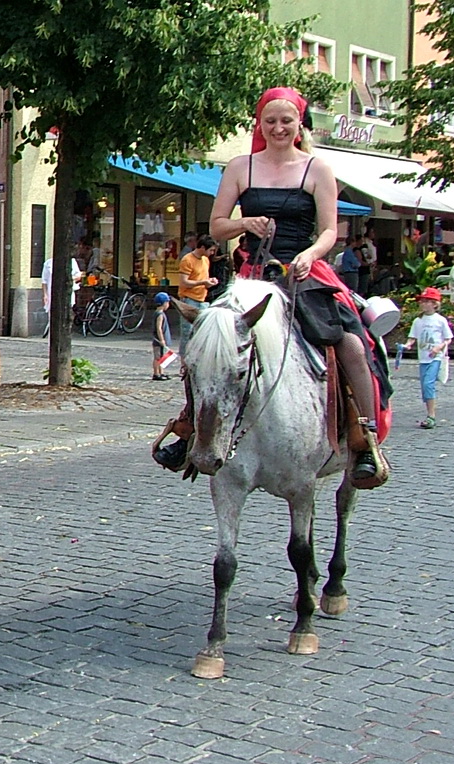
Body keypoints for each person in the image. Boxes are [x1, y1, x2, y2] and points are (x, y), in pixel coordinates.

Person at [152, 88, 391, 489]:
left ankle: (364, 439)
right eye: (270, 121)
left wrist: (310, 255)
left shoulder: (317, 169)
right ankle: (191, 427)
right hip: (253, 275)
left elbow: (331, 229)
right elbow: (217, 225)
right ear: (260, 126)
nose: (278, 128)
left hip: (303, 273)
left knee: (350, 341)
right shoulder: (240, 167)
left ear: (300, 125)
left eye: (286, 121)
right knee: (214, 345)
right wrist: (246, 224)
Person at [405, 287, 453, 430]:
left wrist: (439, 347)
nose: (423, 304)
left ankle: (431, 416)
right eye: (422, 301)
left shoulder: (440, 320)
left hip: (436, 357)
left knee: (428, 384)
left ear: (434, 304)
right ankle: (429, 412)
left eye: (427, 301)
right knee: (425, 387)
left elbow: (448, 338)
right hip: (423, 358)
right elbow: (412, 338)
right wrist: (407, 345)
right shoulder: (418, 321)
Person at [177, 235, 215, 314]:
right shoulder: (187, 260)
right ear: (203, 247)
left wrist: (210, 281)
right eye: (211, 250)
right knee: (188, 326)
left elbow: (203, 280)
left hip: (202, 299)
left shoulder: (205, 259)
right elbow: (184, 282)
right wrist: (203, 282)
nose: (212, 253)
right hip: (189, 299)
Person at [150, 292, 175, 380]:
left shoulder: (158, 313)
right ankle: (156, 373)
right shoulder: (160, 314)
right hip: (159, 341)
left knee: (162, 357)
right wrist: (162, 339)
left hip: (160, 340)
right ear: (164, 303)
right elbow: (159, 328)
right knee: (158, 358)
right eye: (167, 302)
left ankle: (161, 372)